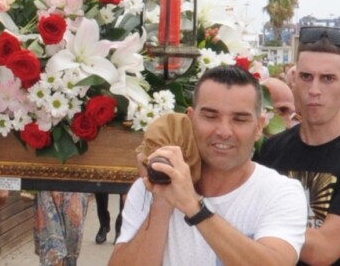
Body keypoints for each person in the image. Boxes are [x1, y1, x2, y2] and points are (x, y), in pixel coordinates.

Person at [110, 65, 307, 265]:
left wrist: (195, 208)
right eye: (211, 116)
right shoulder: (149, 189)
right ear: (191, 118)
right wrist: (162, 202)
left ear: (259, 127)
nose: (223, 131)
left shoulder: (280, 192)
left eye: (239, 119)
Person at [256, 26, 340, 266]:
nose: (314, 90)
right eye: (306, 77)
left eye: (328, 78)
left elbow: (322, 251)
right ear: (293, 78)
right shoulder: (271, 150)